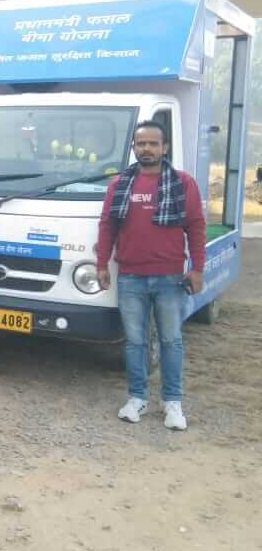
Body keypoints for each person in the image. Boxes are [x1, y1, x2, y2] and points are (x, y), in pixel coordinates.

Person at [97, 120, 205, 431]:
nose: (147, 148)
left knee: (171, 340)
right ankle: (137, 398)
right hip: (130, 277)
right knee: (134, 342)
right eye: (141, 143)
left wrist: (197, 269)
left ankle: (172, 402)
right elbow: (107, 226)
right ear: (133, 147)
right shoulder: (119, 185)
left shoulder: (183, 183)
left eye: (153, 143)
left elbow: (196, 226)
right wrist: (101, 264)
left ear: (164, 148)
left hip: (170, 278)